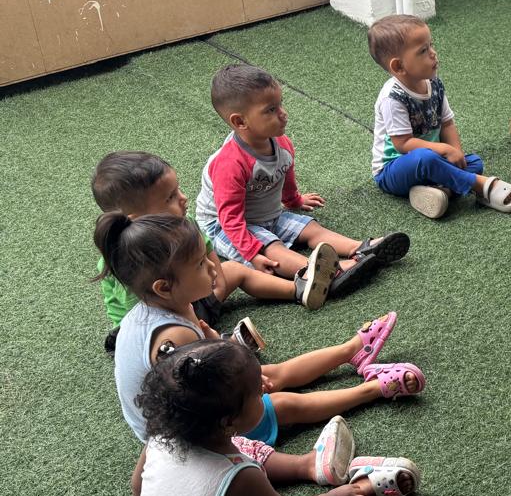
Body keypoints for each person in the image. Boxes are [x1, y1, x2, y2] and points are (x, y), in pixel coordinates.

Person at [95, 212, 424, 446]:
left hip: (193, 400)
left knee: (270, 373)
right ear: (164, 287)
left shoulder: (166, 306)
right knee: (281, 404)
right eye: (200, 264)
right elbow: (199, 407)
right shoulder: (173, 337)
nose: (213, 266)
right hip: (187, 435)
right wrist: (245, 383)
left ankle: (352, 351)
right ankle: (374, 389)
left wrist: (224, 352)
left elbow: (202, 361)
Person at [134, 338, 421, 496]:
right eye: (257, 393)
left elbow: (138, 492)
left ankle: (308, 465)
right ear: (228, 421)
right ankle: (361, 489)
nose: (265, 387)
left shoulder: (160, 438)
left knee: (241, 447)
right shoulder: (239, 478)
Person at [195, 64, 409, 297]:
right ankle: (326, 272)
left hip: (266, 215)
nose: (283, 113)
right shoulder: (229, 164)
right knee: (272, 247)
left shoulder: (281, 143)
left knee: (311, 228)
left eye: (280, 104)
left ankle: (361, 248)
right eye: (271, 110)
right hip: (224, 226)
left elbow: (285, 174)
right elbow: (230, 219)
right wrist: (252, 254)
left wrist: (294, 200)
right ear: (240, 122)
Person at [92, 151, 336, 353]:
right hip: (162, 327)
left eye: (178, 190)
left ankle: (301, 289)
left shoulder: (185, 221)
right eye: (170, 198)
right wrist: (196, 326)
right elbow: (144, 316)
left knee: (235, 269)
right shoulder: (125, 258)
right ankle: (220, 346)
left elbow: (209, 254)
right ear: (137, 219)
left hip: (194, 296)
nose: (183, 198)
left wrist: (217, 284)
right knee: (180, 348)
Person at [367, 14, 511, 218]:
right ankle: (480, 185)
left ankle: (442, 192)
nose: (433, 53)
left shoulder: (434, 84)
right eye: (423, 51)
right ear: (398, 67)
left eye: (431, 45)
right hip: (393, 171)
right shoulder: (392, 98)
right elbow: (403, 143)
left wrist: (456, 153)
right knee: (426, 159)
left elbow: (447, 124)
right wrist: (444, 149)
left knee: (474, 162)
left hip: (432, 159)